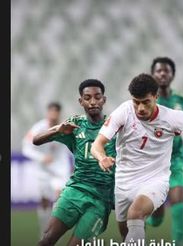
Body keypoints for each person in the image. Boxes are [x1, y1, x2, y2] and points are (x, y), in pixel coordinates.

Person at [91, 73, 183, 244]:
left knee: (136, 214)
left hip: (155, 180)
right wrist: (101, 158)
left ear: (156, 97)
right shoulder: (123, 112)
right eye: (136, 102)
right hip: (124, 183)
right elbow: (97, 145)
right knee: (126, 234)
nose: (140, 108)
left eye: (145, 102)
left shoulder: (171, 117)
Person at [33, 79, 117, 246]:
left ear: (104, 100)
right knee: (46, 240)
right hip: (75, 192)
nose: (93, 102)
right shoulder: (75, 125)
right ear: (81, 101)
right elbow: (36, 140)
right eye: (87, 98)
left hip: (101, 200)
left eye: (97, 97)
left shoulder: (115, 125)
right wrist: (57, 130)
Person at [145, 57, 183, 246]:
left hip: (176, 159)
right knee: (157, 214)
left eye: (166, 71)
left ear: (172, 75)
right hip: (154, 160)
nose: (162, 74)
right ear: (153, 74)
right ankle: (151, 218)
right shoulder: (147, 101)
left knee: (178, 199)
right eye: (159, 71)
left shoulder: (181, 101)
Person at [22, 102, 72, 239]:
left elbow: (73, 147)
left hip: (60, 169)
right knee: (44, 201)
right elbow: (26, 148)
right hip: (43, 171)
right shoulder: (39, 127)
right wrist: (41, 157)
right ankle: (43, 231)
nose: (53, 116)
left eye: (56, 113)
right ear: (48, 113)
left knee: (59, 198)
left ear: (59, 114)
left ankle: (53, 232)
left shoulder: (65, 128)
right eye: (51, 112)